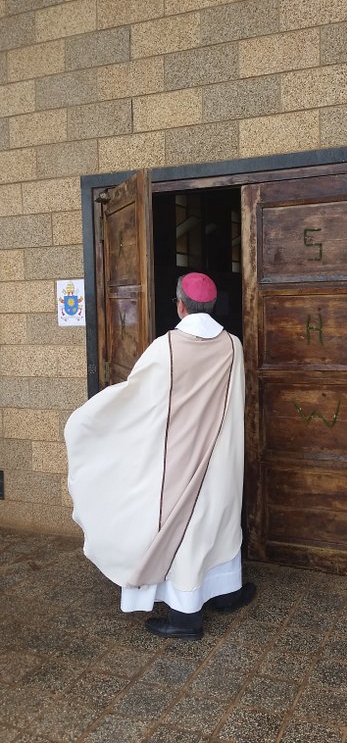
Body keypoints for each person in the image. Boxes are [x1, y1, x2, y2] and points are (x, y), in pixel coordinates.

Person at [65, 272, 255, 640]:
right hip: (221, 455)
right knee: (220, 519)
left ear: (181, 305)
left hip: (178, 459)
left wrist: (93, 418)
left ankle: (186, 618)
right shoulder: (233, 345)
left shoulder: (165, 347)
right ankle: (227, 591)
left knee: (184, 530)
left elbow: (139, 397)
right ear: (211, 306)